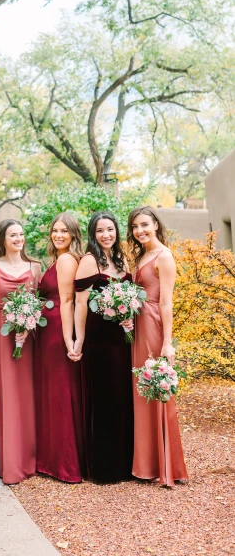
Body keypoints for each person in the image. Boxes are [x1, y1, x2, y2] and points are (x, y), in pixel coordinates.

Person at [128, 206, 188, 487]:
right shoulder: (143, 255)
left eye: (144, 225)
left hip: (153, 326)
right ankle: (146, 462)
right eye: (135, 227)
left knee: (155, 388)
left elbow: (166, 301)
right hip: (138, 327)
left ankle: (166, 465)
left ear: (155, 224)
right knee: (142, 392)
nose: (140, 231)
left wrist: (167, 342)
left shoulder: (164, 256)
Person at [73, 211, 134, 483]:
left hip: (123, 339)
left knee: (123, 398)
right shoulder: (89, 261)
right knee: (106, 399)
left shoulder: (120, 259)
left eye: (110, 229)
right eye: (100, 231)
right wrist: (80, 340)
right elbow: (80, 304)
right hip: (100, 342)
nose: (106, 235)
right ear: (92, 234)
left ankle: (126, 464)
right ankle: (105, 469)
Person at [0, 220, 41, 485]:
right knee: (0, 393)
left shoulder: (36, 267)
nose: (18, 239)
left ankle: (25, 459)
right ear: (2, 239)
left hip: (25, 336)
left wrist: (28, 327)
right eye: (12, 235)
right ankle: (0, 461)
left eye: (21, 234)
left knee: (23, 394)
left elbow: (39, 303)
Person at [34, 213, 84, 483]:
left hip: (57, 332)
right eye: (55, 230)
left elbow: (67, 301)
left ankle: (64, 464)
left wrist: (68, 340)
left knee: (60, 393)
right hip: (50, 331)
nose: (59, 235)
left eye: (65, 231)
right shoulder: (59, 259)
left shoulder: (66, 260)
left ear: (74, 234)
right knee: (54, 394)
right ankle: (53, 459)